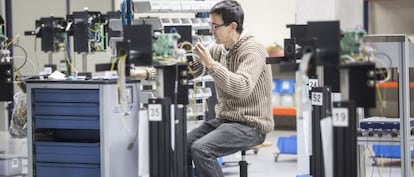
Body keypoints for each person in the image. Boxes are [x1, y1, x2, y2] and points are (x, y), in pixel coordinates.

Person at [188, 0, 274, 176]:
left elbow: (242, 87)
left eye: (215, 26)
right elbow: (192, 69)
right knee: (184, 143)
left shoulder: (253, 49)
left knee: (201, 149)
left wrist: (211, 65)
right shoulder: (220, 49)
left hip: (251, 124)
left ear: (232, 26)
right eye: (210, 25)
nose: (211, 30)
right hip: (226, 121)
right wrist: (146, 73)